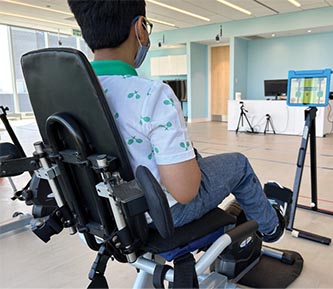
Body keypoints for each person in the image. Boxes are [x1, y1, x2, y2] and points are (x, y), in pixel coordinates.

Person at [68, 0, 287, 243]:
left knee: (195, 157)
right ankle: (271, 227)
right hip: (160, 214)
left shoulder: (69, 93)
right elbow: (185, 192)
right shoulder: (151, 94)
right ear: (140, 28)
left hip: (106, 212)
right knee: (239, 165)